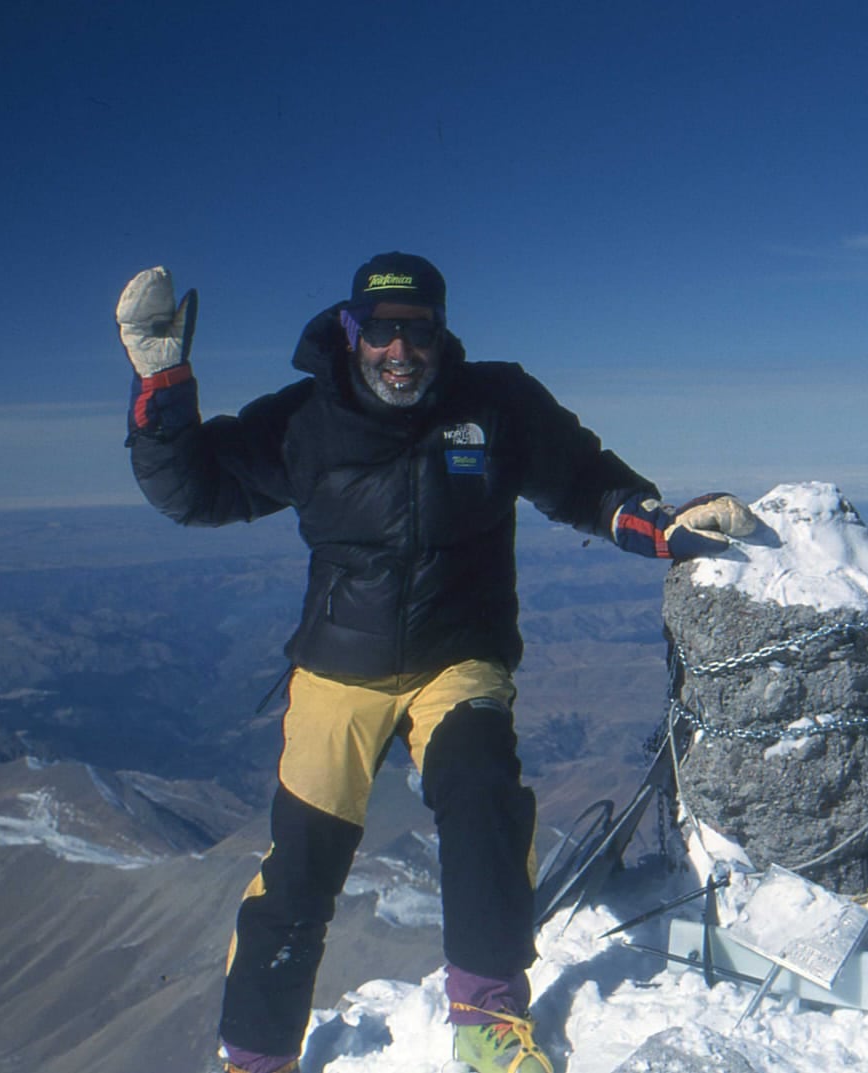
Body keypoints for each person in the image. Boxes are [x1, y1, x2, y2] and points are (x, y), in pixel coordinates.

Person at [117, 253, 757, 1073]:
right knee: (301, 863)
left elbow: (586, 482)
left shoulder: (497, 405)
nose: (399, 350)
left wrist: (662, 525)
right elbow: (195, 491)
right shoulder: (304, 424)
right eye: (382, 329)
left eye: (417, 329)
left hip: (458, 655)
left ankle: (488, 1016)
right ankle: (256, 1056)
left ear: (441, 332)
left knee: (481, 789)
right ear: (351, 331)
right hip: (338, 666)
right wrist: (161, 382)